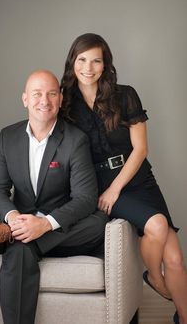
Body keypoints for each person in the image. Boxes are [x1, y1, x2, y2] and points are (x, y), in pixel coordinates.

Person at [60, 33, 187, 324]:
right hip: (99, 184)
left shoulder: (125, 94)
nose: (88, 68)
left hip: (137, 177)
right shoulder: (65, 102)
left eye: (96, 61)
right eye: (82, 60)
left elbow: (141, 149)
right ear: (72, 62)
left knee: (176, 260)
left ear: (105, 65)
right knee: (157, 225)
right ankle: (155, 278)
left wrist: (118, 188)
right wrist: (108, 190)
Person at [0, 70, 108, 324]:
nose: (45, 100)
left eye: (52, 93)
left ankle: (27, 239)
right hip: (24, 226)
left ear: (61, 99)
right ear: (25, 99)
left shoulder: (75, 140)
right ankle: (25, 239)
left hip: (62, 225)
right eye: (37, 94)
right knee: (20, 248)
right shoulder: (7, 137)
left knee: (98, 223)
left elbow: (85, 198)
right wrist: (14, 217)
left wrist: (44, 225)